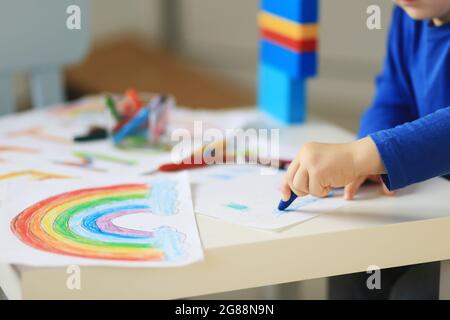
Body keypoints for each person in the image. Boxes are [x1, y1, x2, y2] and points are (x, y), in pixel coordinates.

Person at [281, 0, 450, 299]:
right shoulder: (410, 15)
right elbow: (393, 96)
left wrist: (364, 155)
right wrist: (368, 160)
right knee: (351, 261)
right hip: (425, 205)